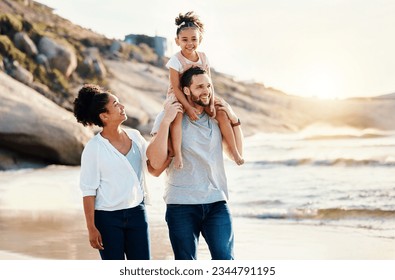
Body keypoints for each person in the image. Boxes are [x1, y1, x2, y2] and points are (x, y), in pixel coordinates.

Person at [147, 66, 244, 260]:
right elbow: (155, 164)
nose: (206, 91)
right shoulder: (172, 116)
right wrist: (166, 120)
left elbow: (237, 155)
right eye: (199, 87)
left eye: (208, 85)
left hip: (216, 201)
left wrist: (234, 119)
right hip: (181, 204)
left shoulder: (216, 118)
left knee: (225, 260)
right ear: (186, 90)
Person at [73, 84, 161, 260]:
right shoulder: (94, 148)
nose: (122, 107)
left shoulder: (135, 136)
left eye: (120, 103)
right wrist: (91, 228)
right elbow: (88, 191)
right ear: (104, 116)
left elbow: (153, 168)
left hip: (137, 213)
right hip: (107, 219)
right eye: (116, 105)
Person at [166, 11, 244, 169]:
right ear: (177, 41)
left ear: (199, 39)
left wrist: (211, 103)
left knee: (221, 112)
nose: (190, 43)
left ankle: (234, 152)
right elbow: (175, 86)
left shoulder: (203, 57)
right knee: (178, 116)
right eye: (185, 40)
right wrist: (187, 107)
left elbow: (209, 83)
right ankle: (178, 154)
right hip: (179, 95)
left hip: (201, 93)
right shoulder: (175, 60)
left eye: (194, 39)